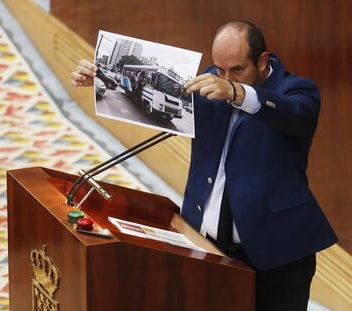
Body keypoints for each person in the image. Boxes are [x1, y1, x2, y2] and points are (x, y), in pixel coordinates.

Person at [70, 20, 338, 311]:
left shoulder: (297, 91)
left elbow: (295, 115)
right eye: (220, 69)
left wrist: (238, 93)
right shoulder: (210, 81)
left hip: (276, 258)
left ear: (262, 61)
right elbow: (156, 111)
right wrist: (98, 79)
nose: (226, 78)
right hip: (206, 246)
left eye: (237, 70)